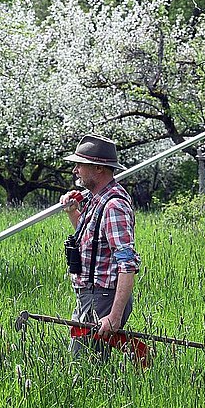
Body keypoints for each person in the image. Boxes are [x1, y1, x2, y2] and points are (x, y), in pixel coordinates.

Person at [59, 134, 141, 363]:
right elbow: (91, 240)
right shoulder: (97, 199)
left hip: (102, 297)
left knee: (85, 368)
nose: (75, 170)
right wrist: (73, 212)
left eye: (80, 164)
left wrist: (114, 316)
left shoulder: (114, 205)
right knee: (88, 365)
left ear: (98, 168)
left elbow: (127, 265)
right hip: (91, 295)